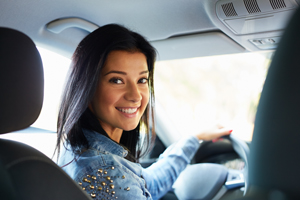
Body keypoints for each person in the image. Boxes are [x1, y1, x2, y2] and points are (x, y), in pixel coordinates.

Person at [56, 24, 231, 200]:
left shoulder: (78, 147)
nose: (135, 96)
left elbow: (150, 184)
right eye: (117, 80)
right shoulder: (106, 173)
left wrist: (193, 138)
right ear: (86, 87)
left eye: (142, 80)